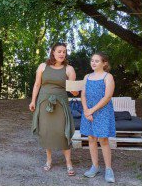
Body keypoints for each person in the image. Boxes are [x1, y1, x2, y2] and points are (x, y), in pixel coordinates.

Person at [30, 42, 78, 176]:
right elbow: (37, 84)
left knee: (63, 131)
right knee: (46, 132)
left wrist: (75, 92)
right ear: (53, 52)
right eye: (59, 51)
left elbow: (73, 91)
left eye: (64, 51)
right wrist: (33, 101)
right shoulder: (42, 66)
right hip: (44, 102)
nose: (62, 54)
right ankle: (48, 160)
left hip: (61, 104)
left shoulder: (69, 69)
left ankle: (69, 163)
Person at [80, 52, 116, 183]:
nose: (93, 63)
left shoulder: (108, 76)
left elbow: (107, 97)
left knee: (103, 139)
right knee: (91, 138)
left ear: (104, 63)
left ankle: (108, 169)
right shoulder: (87, 77)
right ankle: (95, 166)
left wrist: (92, 111)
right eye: (92, 60)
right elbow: (83, 95)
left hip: (102, 111)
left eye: (97, 61)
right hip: (88, 111)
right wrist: (86, 110)